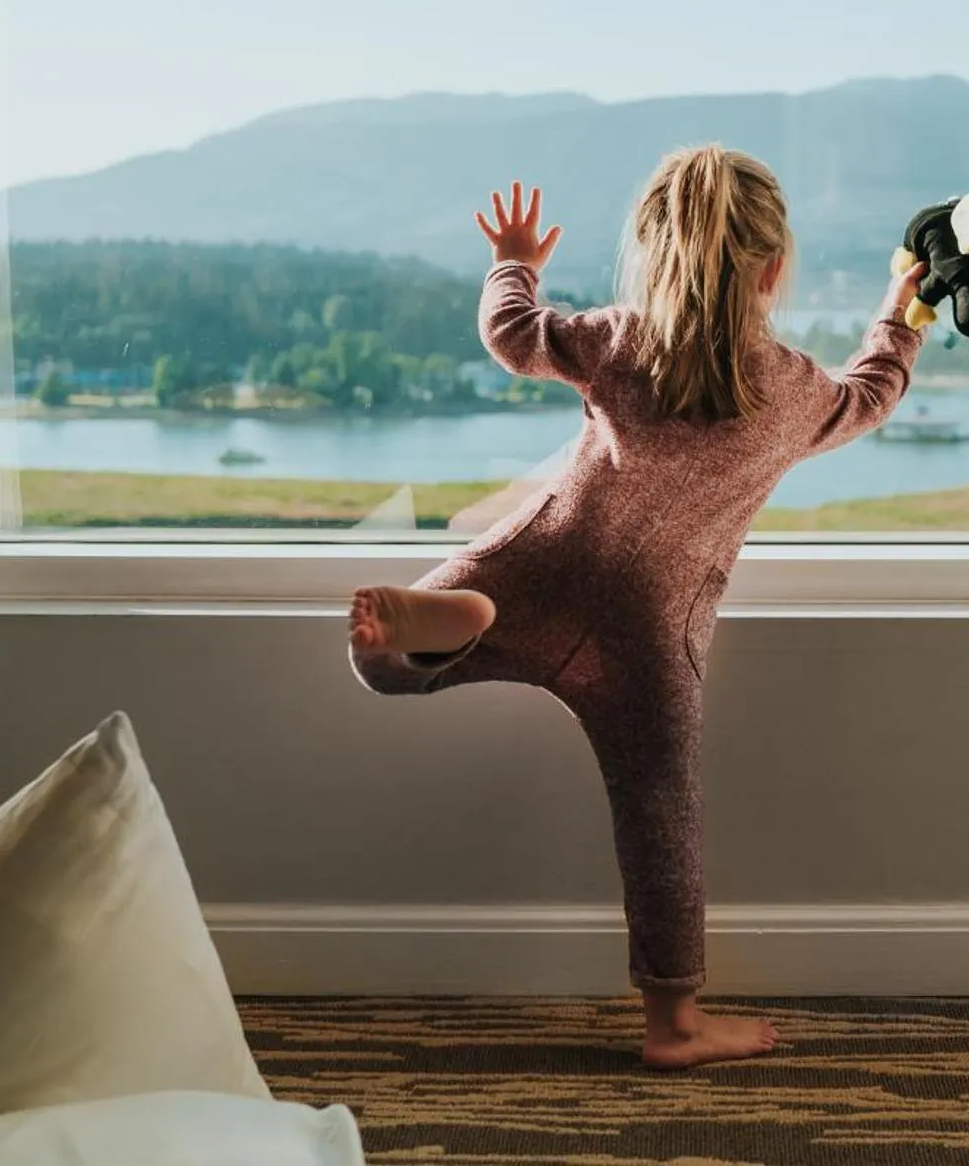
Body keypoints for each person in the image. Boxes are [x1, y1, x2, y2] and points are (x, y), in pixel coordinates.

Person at [348, 148, 926, 1068]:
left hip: (538, 565)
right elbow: (872, 395)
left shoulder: (618, 341)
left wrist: (513, 260)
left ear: (653, 256)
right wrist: (900, 310)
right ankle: (675, 1024)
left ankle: (452, 623)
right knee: (660, 813)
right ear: (775, 269)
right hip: (652, 629)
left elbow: (513, 332)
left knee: (382, 661)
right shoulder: (791, 390)